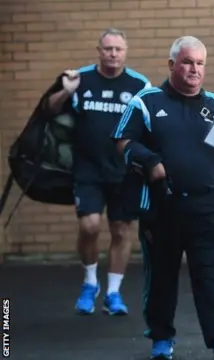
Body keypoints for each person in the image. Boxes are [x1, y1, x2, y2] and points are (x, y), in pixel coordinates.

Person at [111, 35, 214, 360]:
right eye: (187, 62)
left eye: (200, 63)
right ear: (172, 64)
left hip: (210, 204)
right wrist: (150, 161)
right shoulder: (146, 101)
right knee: (161, 275)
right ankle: (161, 339)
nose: (194, 69)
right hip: (163, 205)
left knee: (211, 272)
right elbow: (121, 142)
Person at [46, 28, 151, 316]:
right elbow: (50, 110)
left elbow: (150, 124)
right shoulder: (81, 79)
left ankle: (113, 293)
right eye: (107, 49)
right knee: (89, 226)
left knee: (120, 230)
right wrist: (66, 90)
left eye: (118, 49)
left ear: (125, 51)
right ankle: (90, 283)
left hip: (124, 171)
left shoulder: (139, 84)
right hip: (88, 169)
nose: (113, 54)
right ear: (99, 50)